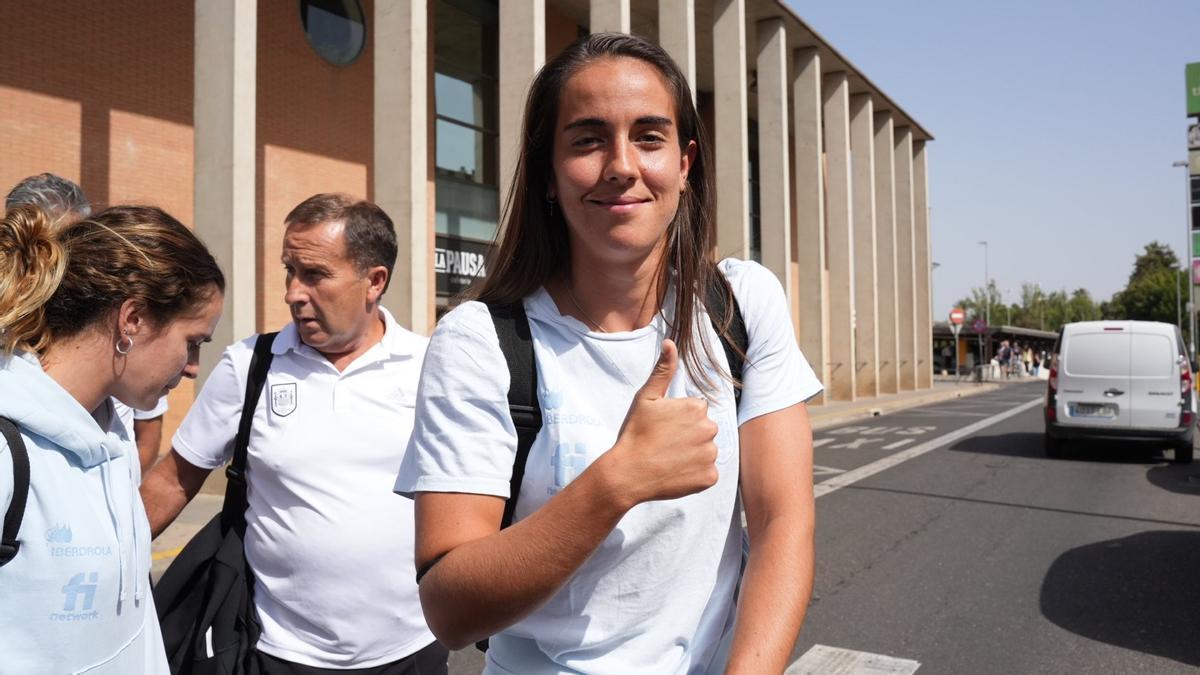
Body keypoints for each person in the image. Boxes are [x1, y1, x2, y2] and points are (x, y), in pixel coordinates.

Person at [397, 33, 822, 674]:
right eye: (588, 140)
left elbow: (781, 522)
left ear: (685, 164)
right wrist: (617, 481)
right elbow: (450, 610)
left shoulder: (742, 304)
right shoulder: (479, 341)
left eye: (649, 137)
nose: (622, 165)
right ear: (547, 173)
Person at [141, 193, 447, 674]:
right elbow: (172, 482)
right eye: (290, 270)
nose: (293, 293)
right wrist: (98, 563)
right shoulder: (250, 366)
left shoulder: (431, 366)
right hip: (277, 653)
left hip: (412, 650)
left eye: (315, 274)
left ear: (375, 281)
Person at [0, 204, 224, 673]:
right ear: (132, 320)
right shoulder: (8, 451)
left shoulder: (114, 437)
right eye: (193, 342)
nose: (193, 368)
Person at [6, 172, 169, 475]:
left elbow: (148, 436)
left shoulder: (121, 323)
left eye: (68, 250)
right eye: (38, 249)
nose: (52, 267)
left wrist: (121, 490)